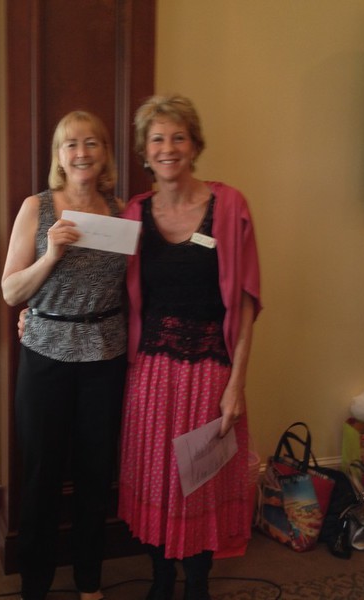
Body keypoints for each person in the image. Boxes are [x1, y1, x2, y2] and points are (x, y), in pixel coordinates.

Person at [117, 94, 261, 600]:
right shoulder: (133, 214)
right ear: (145, 151)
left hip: (210, 372)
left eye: (178, 137)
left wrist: (236, 384)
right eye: (157, 139)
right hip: (150, 374)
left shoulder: (230, 206)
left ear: (195, 146)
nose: (168, 148)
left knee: (200, 482)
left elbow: (246, 301)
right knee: (156, 481)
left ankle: (197, 585)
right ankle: (161, 582)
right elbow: (98, 280)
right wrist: (34, 310)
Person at [1, 110, 127, 600]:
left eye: (92, 143)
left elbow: (135, 289)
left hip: (104, 358)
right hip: (45, 357)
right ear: (59, 155)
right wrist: (51, 255)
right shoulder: (37, 208)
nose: (81, 153)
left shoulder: (121, 212)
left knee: (96, 476)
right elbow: (11, 291)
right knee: (41, 477)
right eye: (71, 144)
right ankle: (35, 585)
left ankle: (89, 582)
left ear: (104, 153)